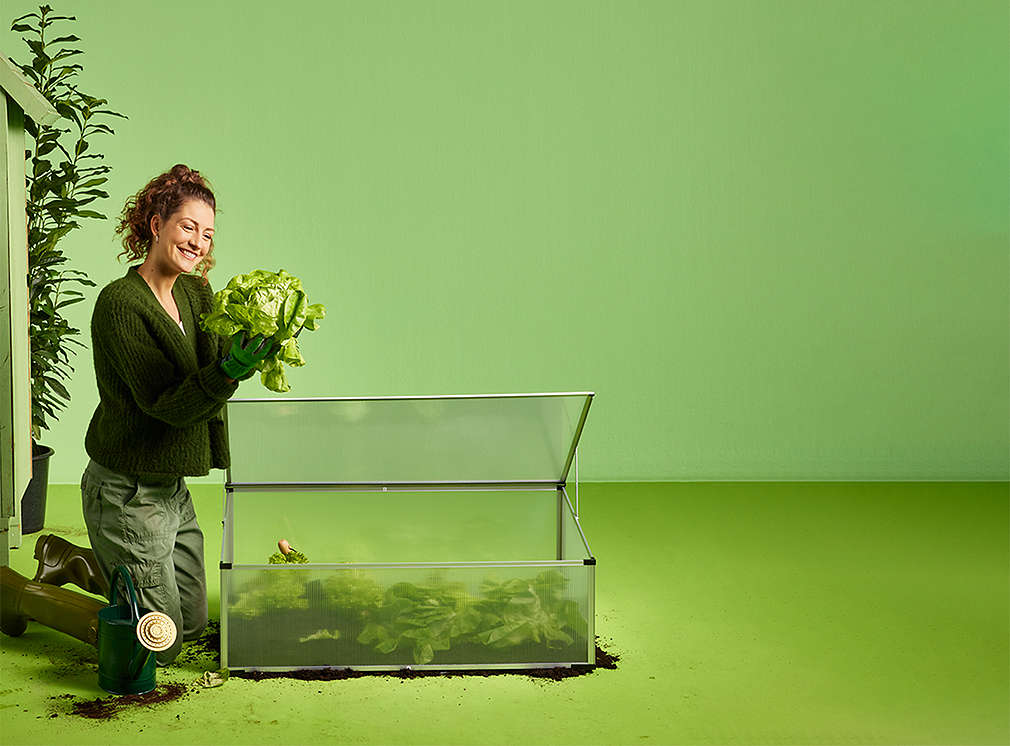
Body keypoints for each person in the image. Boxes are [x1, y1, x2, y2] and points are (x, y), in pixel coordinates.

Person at [1, 164, 274, 665]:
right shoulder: (120, 304)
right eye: (188, 226)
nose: (198, 242)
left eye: (207, 233)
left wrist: (244, 350)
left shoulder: (196, 292)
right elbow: (167, 404)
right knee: (158, 646)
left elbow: (209, 371)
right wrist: (230, 370)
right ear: (156, 224)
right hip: (125, 490)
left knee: (190, 627)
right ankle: (22, 596)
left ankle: (74, 560)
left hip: (170, 485)